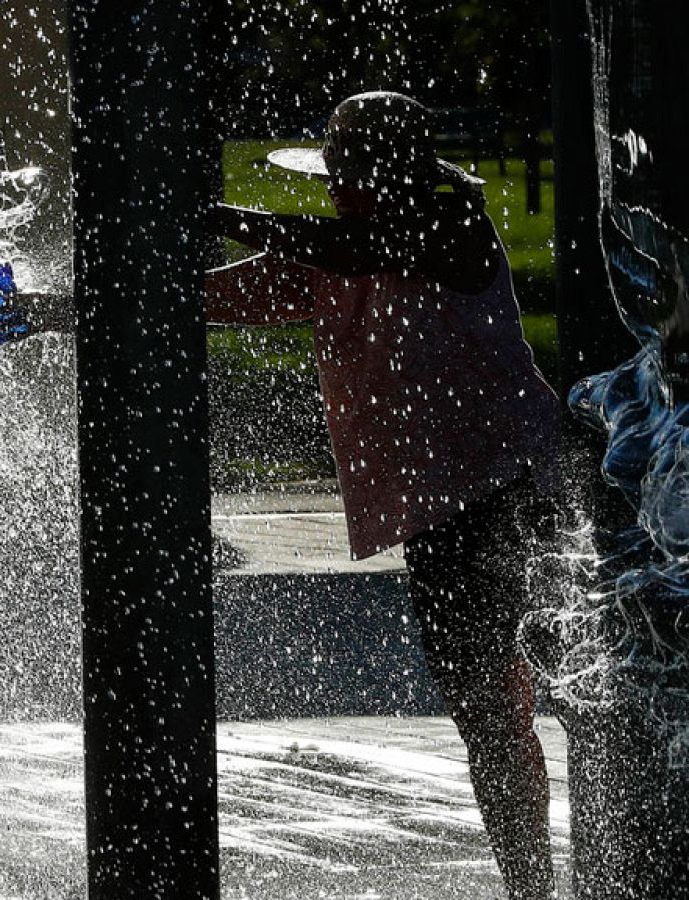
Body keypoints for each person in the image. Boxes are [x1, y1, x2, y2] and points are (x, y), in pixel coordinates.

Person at [207, 91, 563, 900]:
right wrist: (57, 311)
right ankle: (532, 887)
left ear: (401, 173)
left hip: (520, 492)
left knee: (538, 696)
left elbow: (350, 247)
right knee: (488, 713)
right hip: (441, 519)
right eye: (334, 173)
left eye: (349, 172)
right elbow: (208, 297)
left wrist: (216, 210)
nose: (336, 187)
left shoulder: (453, 232)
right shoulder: (339, 259)